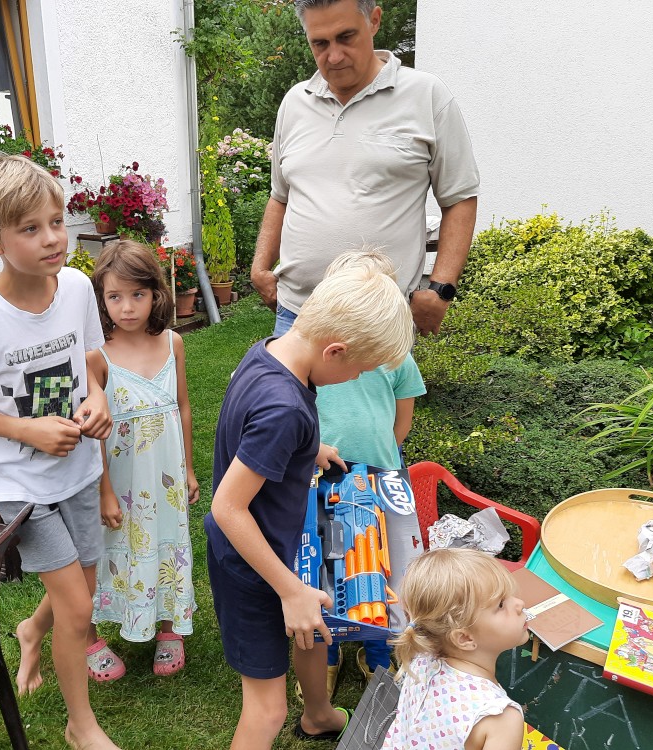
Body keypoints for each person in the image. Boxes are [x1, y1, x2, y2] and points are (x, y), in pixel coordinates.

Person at [0, 152, 120, 750]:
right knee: (79, 611)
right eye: (31, 229)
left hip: (79, 467)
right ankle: (80, 726)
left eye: (57, 222)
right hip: (20, 482)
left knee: (81, 592)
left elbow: (91, 360)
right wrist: (27, 431)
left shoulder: (76, 288)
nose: (53, 239)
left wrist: (97, 395)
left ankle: (30, 629)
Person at [205, 263, 415, 749]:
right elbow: (227, 508)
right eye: (359, 369)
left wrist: (308, 450)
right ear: (334, 351)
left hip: (274, 548)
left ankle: (319, 714)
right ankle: (304, 712)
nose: (357, 377)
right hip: (251, 568)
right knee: (267, 709)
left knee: (313, 626)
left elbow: (255, 433)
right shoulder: (284, 409)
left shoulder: (271, 354)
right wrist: (288, 590)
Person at [250, 0, 479, 337]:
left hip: (379, 321)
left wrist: (441, 289)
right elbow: (280, 196)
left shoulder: (426, 96)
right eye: (320, 43)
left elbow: (459, 197)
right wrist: (259, 268)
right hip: (296, 315)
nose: (334, 56)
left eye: (346, 37)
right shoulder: (295, 102)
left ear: (374, 21)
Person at [81, 239, 198, 681]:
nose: (127, 307)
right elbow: (93, 432)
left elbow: (182, 407)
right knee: (112, 548)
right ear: (101, 300)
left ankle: (169, 625)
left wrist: (188, 469)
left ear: (156, 294)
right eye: (114, 296)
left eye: (138, 294)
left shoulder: (172, 344)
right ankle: (91, 635)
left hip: (165, 476)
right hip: (122, 478)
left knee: (168, 540)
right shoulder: (97, 356)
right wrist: (104, 491)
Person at [315, 248, 426, 693]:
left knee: (379, 566)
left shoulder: (396, 357)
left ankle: (377, 651)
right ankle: (326, 651)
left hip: (379, 477)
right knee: (326, 563)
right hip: (320, 479)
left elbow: (403, 419)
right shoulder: (320, 358)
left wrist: (384, 460)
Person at [381, 548, 528, 750]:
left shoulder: (422, 655)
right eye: (501, 605)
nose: (519, 603)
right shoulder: (502, 721)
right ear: (465, 638)